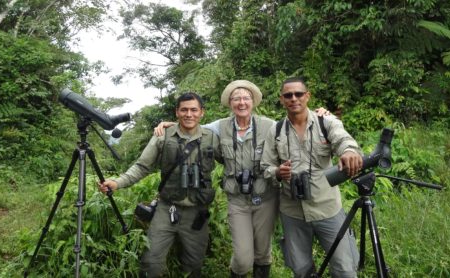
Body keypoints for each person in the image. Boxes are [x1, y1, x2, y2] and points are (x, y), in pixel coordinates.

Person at [154, 80, 331, 278]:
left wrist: (320, 115)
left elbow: (295, 123)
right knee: (242, 258)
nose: (241, 102)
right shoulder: (219, 127)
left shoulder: (269, 126)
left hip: (266, 196)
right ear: (230, 103)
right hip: (237, 199)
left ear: (253, 102)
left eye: (246, 98)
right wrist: (169, 125)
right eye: (236, 98)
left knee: (263, 252)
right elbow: (193, 125)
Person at [99, 92, 222, 278]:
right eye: (184, 110)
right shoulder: (162, 136)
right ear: (177, 112)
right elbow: (142, 166)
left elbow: (232, 162)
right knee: (151, 262)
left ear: (202, 112)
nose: (189, 114)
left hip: (197, 211)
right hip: (167, 208)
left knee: (194, 265)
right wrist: (117, 182)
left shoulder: (212, 138)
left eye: (194, 110)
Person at [260, 77, 362, 278]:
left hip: (327, 208)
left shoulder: (326, 122)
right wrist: (278, 173)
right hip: (292, 211)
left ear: (308, 96)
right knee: (301, 269)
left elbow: (343, 140)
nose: (294, 98)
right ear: (282, 99)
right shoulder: (277, 130)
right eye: (288, 95)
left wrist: (349, 151)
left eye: (298, 94)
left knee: (345, 268)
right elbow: (265, 166)